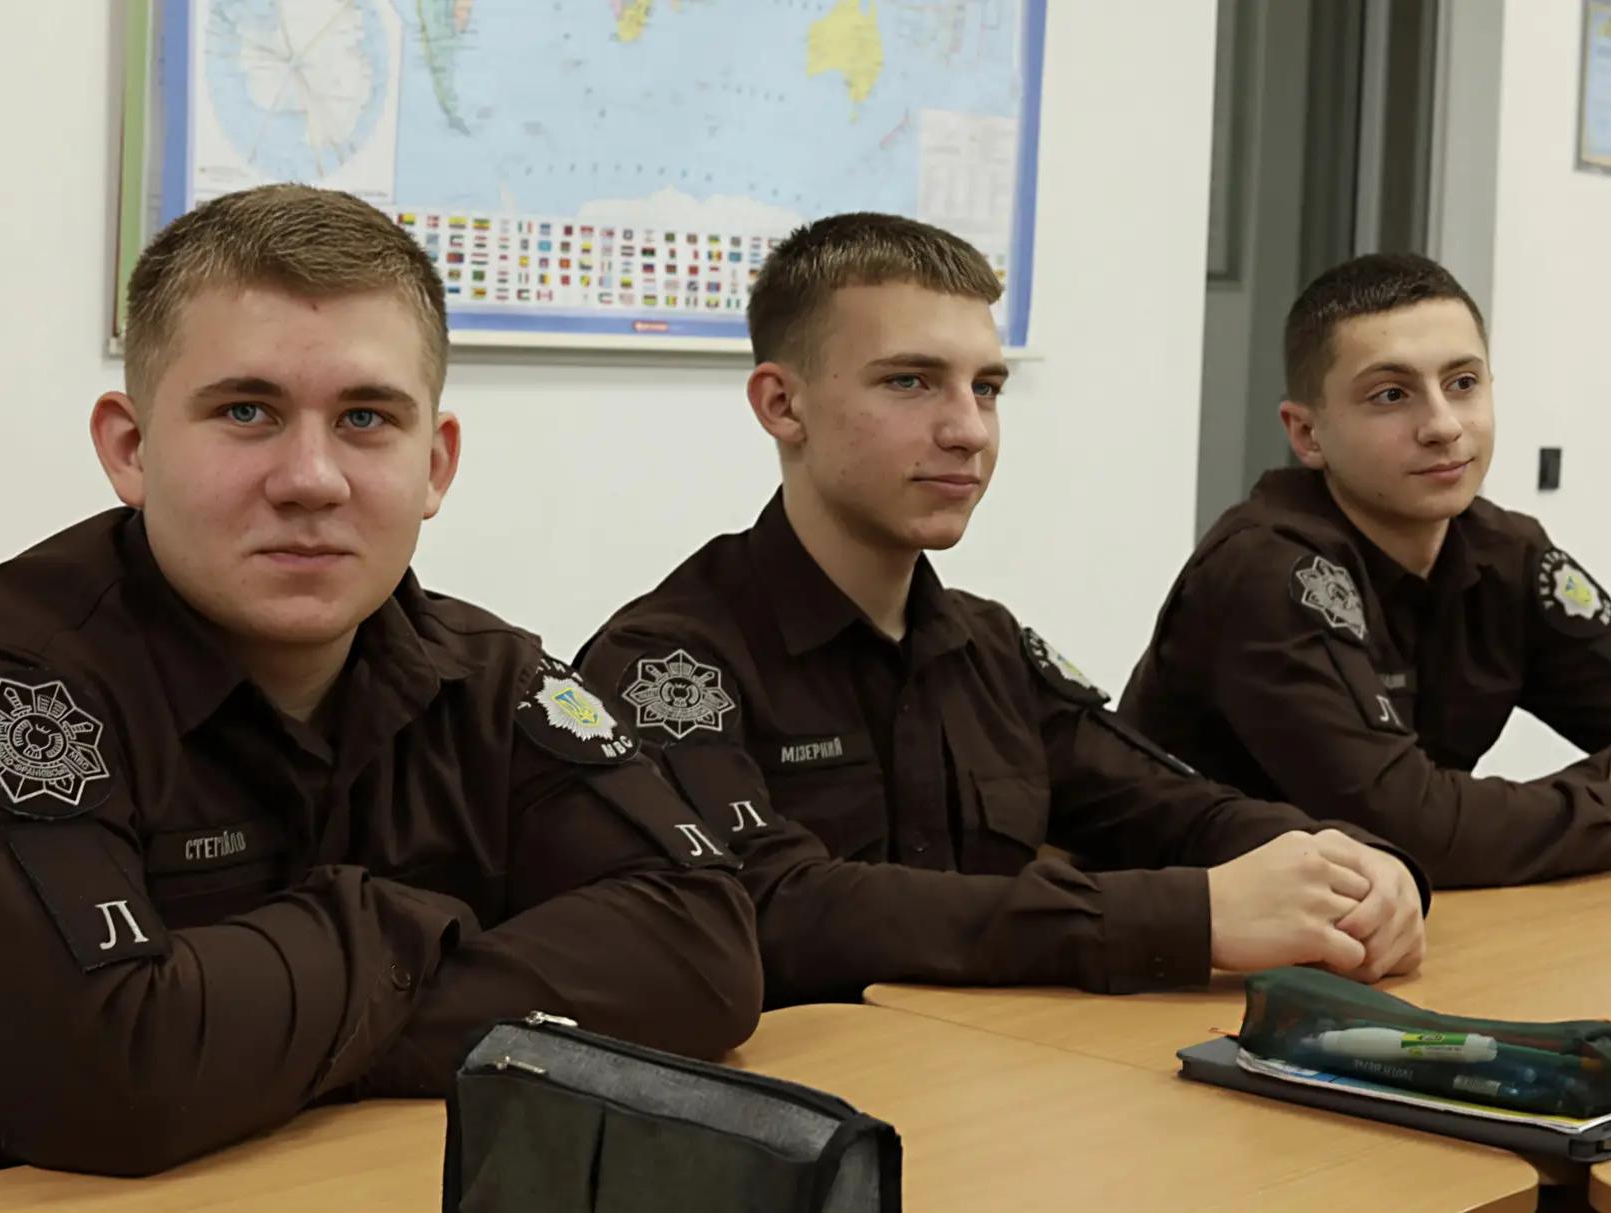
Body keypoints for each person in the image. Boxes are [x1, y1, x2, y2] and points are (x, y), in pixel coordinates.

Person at [0, 185, 762, 1211]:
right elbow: (108, 1083)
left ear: (435, 463)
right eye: (246, 412)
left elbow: (706, 949)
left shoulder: (493, 675)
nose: (311, 477)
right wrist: (401, 926)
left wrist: (275, 1031)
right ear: (130, 448)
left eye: (365, 418)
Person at [577, 212, 1427, 1012]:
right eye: (910, 382)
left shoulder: (987, 647)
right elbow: (767, 906)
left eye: (985, 388)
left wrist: (1351, 864)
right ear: (782, 404)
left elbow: (1175, 805)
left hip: (987, 1077)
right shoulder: (668, 662)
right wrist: (1186, 916)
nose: (969, 431)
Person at [1121, 252, 1611, 888]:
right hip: (1199, 929)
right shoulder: (1265, 571)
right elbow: (1412, 833)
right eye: (1392, 395)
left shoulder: (1506, 553)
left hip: (1393, 916)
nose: (1442, 426)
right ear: (1307, 434)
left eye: (1463, 383)